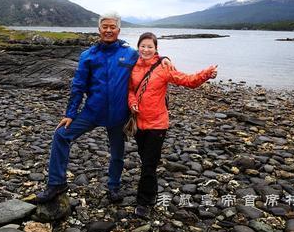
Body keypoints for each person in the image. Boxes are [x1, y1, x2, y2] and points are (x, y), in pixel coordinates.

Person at [36, 13, 173, 203]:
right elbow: (78, 86)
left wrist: (164, 57)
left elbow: (148, 58)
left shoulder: (129, 53)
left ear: (118, 30)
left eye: (112, 27)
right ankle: (56, 183)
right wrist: (70, 114)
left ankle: (114, 186)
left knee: (117, 153)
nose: (108, 30)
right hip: (92, 112)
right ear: (99, 30)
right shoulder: (88, 56)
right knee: (61, 135)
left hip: (118, 115)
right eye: (105, 27)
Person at [129, 32, 217, 218]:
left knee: (149, 164)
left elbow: (187, 81)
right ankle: (152, 193)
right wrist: (132, 102)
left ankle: (143, 203)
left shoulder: (163, 67)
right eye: (143, 46)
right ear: (138, 47)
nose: (146, 49)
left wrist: (206, 74)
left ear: (156, 49)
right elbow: (130, 89)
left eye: (149, 47)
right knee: (146, 161)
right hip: (138, 123)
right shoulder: (132, 66)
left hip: (158, 123)